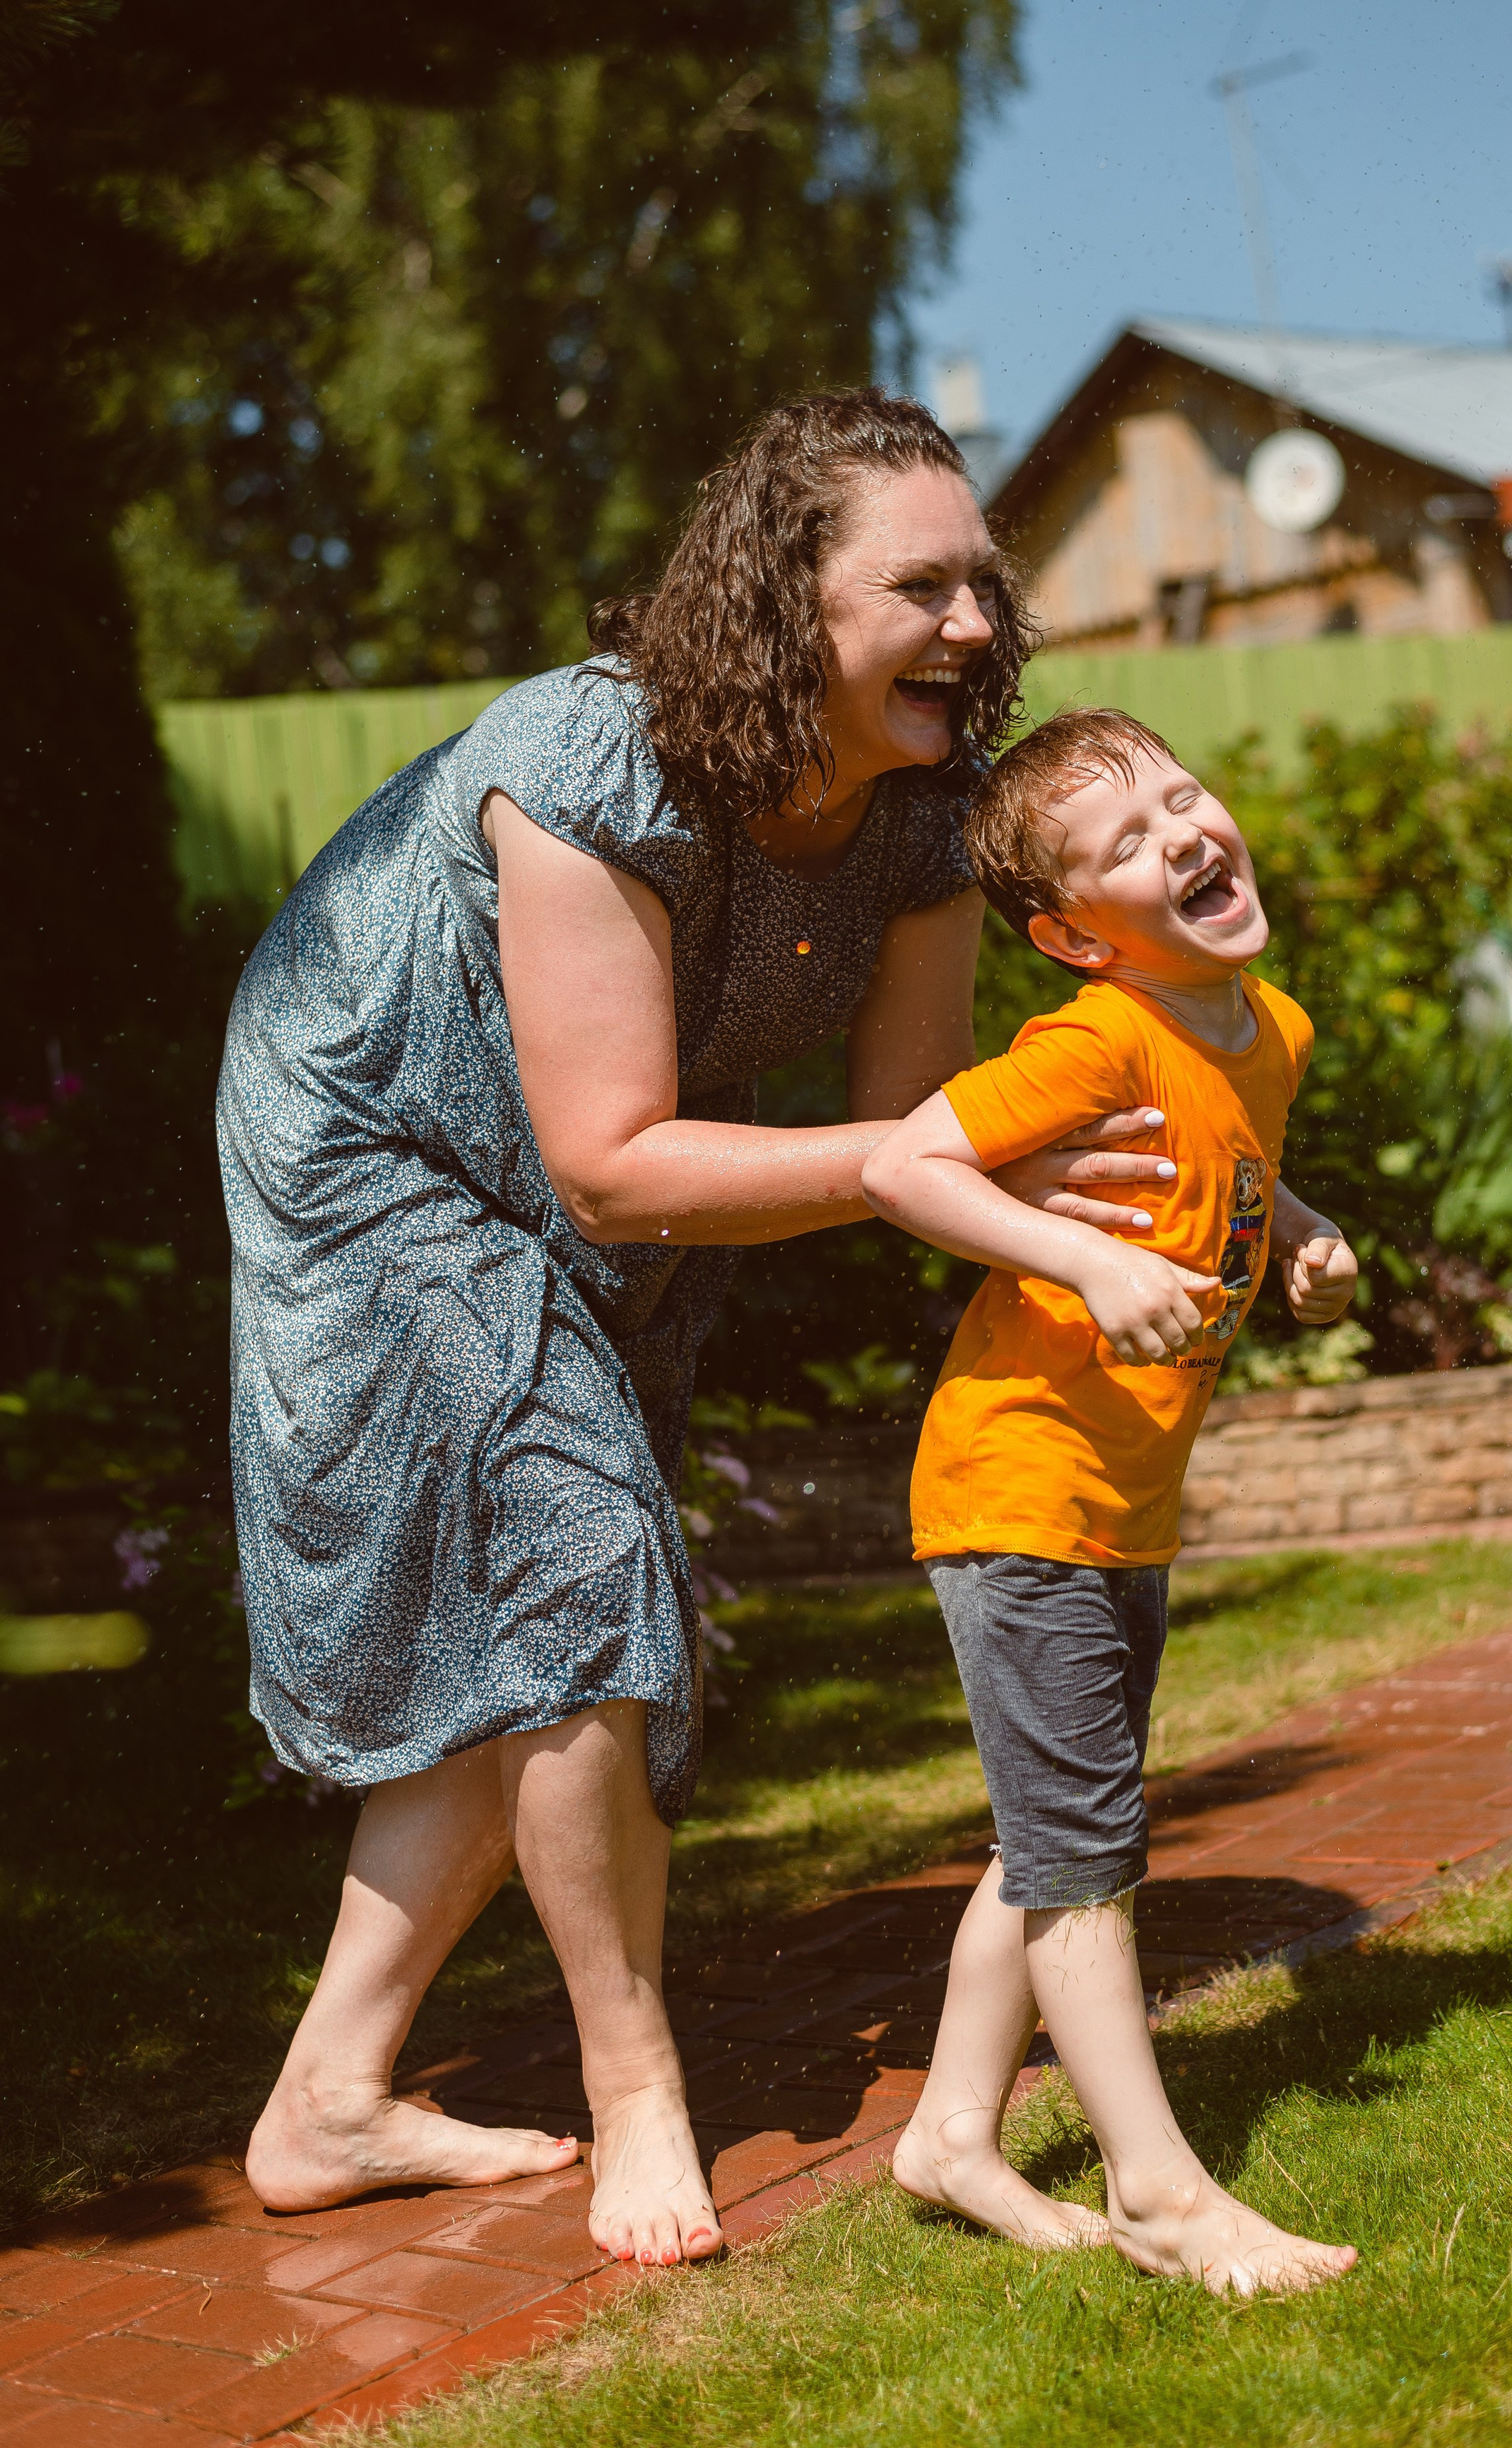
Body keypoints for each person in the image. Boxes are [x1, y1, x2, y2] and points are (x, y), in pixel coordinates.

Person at [219, 395, 1176, 2268]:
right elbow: (612, 1159)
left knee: (549, 1614)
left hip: (604, 1168)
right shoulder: (600, 755)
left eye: (984, 578)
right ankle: (636, 2074)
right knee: (581, 1567)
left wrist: (1117, 1159)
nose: (979, 620)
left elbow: (914, 1118)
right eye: (923, 583)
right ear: (783, 604)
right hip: (379, 1138)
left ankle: (331, 2091)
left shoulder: (915, 816)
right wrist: (937, 1168)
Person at [861, 706, 1362, 2293]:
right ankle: (1154, 2189)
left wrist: (1299, 1233)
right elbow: (903, 1169)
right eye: (1130, 844)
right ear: (1075, 934)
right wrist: (1082, 1254)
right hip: (1021, 1482)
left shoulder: (1259, 1025)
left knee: (1046, 1831)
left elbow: (1228, 1159)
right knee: (1085, 1850)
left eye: (1181, 796)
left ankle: (949, 2135)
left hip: (1117, 1498)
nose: (1183, 834)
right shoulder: (1092, 1036)